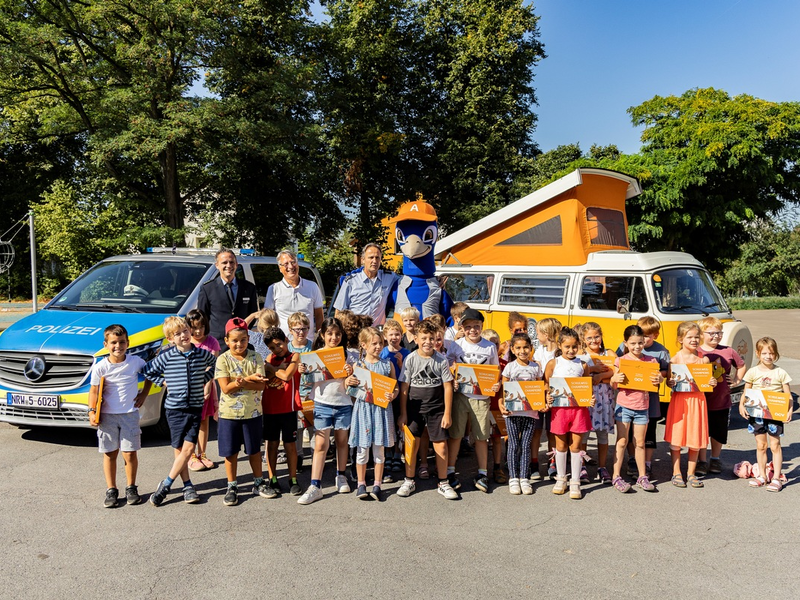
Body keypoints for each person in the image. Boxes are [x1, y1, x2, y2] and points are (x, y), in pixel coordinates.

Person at [143, 316, 217, 506]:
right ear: (170, 339)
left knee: (189, 448)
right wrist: (163, 382)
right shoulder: (167, 356)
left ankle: (166, 485)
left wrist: (204, 378)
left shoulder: (201, 354)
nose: (183, 335)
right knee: (179, 450)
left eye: (185, 331)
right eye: (177, 334)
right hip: (174, 409)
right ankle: (187, 485)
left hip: (194, 407)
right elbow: (148, 371)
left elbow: (216, 364)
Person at [88, 324, 153, 508]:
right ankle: (111, 489)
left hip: (129, 415)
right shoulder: (101, 367)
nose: (118, 346)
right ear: (106, 344)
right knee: (109, 454)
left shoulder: (135, 362)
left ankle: (131, 487)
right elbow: (94, 390)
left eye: (122, 342)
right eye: (114, 342)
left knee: (130, 453)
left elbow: (149, 375)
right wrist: (91, 411)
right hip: (107, 416)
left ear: (128, 343)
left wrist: (143, 394)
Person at [297, 317, 357, 505]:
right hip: (322, 403)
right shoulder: (315, 355)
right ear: (322, 335)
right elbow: (308, 381)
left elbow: (357, 382)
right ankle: (315, 485)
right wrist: (303, 371)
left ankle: (341, 475)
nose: (334, 337)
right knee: (320, 444)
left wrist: (350, 373)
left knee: (342, 441)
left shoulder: (349, 355)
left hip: (344, 404)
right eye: (329, 333)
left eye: (338, 334)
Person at [396, 320, 457, 500]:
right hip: (414, 409)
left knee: (441, 446)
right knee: (411, 445)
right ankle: (409, 480)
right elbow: (405, 388)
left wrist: (447, 413)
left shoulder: (441, 360)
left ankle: (443, 482)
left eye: (431, 338)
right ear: (416, 338)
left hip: (437, 409)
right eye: (424, 338)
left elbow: (447, 386)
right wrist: (404, 413)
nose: (428, 342)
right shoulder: (410, 359)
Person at [215, 318, 269, 506]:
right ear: (227, 340)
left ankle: (258, 482)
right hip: (229, 414)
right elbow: (225, 388)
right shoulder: (223, 359)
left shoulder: (256, 358)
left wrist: (238, 381)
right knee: (231, 453)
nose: (239, 344)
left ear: (248, 338)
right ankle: (232, 485)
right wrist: (248, 380)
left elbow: (262, 385)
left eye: (243, 340)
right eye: (235, 340)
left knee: (254, 449)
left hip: (253, 412)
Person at [448, 308, 500, 493]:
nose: (472, 330)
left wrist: (496, 384)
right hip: (461, 395)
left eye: (476, 326)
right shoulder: (457, 345)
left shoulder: (489, 346)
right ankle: (450, 471)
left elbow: (495, 371)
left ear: (481, 327)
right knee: (456, 434)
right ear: (462, 327)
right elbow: (448, 365)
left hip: (481, 397)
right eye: (468, 326)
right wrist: (453, 371)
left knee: (481, 436)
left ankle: (482, 472)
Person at [347, 327, 399, 501]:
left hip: (381, 411)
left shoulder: (387, 364)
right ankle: (361, 484)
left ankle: (377, 484)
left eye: (380, 343)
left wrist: (393, 395)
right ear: (363, 345)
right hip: (363, 411)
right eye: (374, 343)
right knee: (362, 450)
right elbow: (350, 389)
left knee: (379, 451)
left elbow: (395, 386)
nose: (378, 347)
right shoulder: (358, 365)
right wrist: (350, 382)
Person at [616, 316, 670, 478]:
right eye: (640, 337)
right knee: (627, 436)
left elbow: (666, 371)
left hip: (648, 400)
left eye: (646, 336)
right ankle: (630, 462)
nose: (641, 342)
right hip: (627, 401)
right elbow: (617, 368)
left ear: (655, 335)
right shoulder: (624, 351)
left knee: (647, 433)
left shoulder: (659, 353)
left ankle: (646, 464)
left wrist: (658, 376)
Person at [609, 325, 662, 493]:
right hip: (624, 406)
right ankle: (616, 476)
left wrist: (659, 379)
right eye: (633, 343)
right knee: (622, 441)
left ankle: (642, 476)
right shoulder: (621, 360)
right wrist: (614, 378)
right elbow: (614, 383)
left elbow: (656, 382)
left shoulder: (651, 361)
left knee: (640, 442)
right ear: (626, 343)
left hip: (642, 407)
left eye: (640, 342)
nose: (637, 346)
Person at [544, 327, 595, 499]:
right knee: (560, 446)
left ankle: (575, 481)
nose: (571, 350)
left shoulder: (583, 364)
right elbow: (546, 384)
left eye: (574, 347)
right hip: (560, 412)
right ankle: (561, 479)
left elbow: (588, 387)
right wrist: (547, 396)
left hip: (579, 411)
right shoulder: (554, 363)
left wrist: (591, 398)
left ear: (579, 346)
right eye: (567, 347)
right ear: (560, 345)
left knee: (576, 447)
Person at [665, 321, 717, 489]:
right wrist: (670, 382)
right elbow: (669, 382)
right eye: (690, 337)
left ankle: (691, 473)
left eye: (696, 337)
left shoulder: (703, 360)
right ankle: (676, 472)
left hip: (698, 402)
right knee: (677, 437)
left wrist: (712, 381)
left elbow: (708, 383)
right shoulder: (675, 359)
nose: (694, 340)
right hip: (680, 401)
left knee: (695, 436)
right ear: (681, 339)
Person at [739, 337, 792, 491]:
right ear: (758, 354)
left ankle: (776, 478)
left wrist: (789, 410)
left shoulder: (780, 372)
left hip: (775, 414)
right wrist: (742, 405)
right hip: (757, 414)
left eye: (771, 353)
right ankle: (762, 475)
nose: (768, 356)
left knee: (775, 445)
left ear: (776, 354)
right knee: (761, 445)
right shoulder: (752, 372)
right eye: (764, 353)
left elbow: (788, 395)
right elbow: (746, 392)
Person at [697, 316, 746, 475]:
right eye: (711, 333)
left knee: (718, 431)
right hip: (701, 399)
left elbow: (741, 365)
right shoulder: (696, 352)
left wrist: (737, 380)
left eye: (719, 333)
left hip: (721, 399)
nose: (715, 336)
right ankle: (702, 461)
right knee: (702, 431)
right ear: (702, 333)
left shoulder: (728, 350)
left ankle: (715, 459)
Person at [499, 333, 542, 495]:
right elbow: (505, 389)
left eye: (526, 347)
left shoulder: (535, 367)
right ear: (513, 349)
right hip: (512, 412)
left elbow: (539, 387)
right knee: (513, 444)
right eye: (518, 348)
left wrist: (542, 403)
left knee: (525, 445)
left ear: (531, 348)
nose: (523, 351)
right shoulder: (510, 367)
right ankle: (513, 478)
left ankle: (524, 478)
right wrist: (502, 404)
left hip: (530, 413)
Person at [260, 326, 302, 497]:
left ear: (286, 340)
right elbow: (266, 377)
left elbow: (287, 376)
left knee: (290, 445)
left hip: (288, 408)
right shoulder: (270, 358)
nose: (277, 349)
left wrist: (273, 369)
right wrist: (273, 368)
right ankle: (273, 478)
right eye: (272, 347)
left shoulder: (295, 356)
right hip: (269, 408)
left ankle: (293, 479)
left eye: (279, 344)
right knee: (272, 445)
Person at [197, 248, 259, 350]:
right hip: (217, 344)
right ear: (217, 265)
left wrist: (241, 331)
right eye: (224, 263)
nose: (229, 266)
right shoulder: (208, 288)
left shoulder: (248, 287)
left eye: (231, 262)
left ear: (236, 264)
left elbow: (252, 314)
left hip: (241, 344)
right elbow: (203, 317)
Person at [577, 322, 615, 484]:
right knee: (584, 433)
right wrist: (592, 371)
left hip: (605, 398)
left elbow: (617, 370)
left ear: (601, 336)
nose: (594, 341)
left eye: (597, 337)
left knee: (602, 434)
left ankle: (602, 466)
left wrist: (601, 377)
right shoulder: (580, 355)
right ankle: (582, 466)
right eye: (589, 338)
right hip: (587, 399)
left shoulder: (609, 352)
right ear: (583, 339)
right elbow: (576, 374)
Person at [332, 243, 400, 326]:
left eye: (377, 257)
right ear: (363, 260)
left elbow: (407, 280)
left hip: (376, 333)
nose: (374, 261)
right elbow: (339, 311)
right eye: (371, 257)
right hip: (356, 332)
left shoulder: (389, 277)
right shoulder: (351, 281)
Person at [264, 249, 324, 341]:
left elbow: (319, 315)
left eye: (293, 262)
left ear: (298, 264)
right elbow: (268, 318)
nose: (290, 266)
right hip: (283, 346)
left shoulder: (312, 287)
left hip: (307, 345)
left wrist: (320, 339)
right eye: (286, 264)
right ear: (280, 268)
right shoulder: (274, 289)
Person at [186, 309, 220, 472]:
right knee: (192, 422)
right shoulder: (186, 342)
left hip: (207, 388)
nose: (197, 331)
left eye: (201, 327)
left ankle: (202, 454)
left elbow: (213, 366)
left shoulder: (212, 342)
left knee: (204, 421)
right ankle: (190, 455)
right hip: (190, 389)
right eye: (193, 327)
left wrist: (207, 386)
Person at [380, 318, 411, 476]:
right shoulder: (382, 352)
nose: (394, 337)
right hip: (385, 394)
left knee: (399, 425)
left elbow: (409, 376)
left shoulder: (406, 353)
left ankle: (398, 454)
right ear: (385, 336)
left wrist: (400, 365)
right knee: (388, 425)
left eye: (397, 334)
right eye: (391, 334)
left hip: (401, 394)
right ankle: (388, 455)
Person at [533, 317, 561, 480]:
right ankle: (534, 462)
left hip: (555, 397)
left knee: (552, 432)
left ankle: (553, 462)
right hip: (539, 396)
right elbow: (538, 376)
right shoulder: (539, 351)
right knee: (537, 431)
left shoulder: (560, 352)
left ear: (547, 334)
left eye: (538, 333)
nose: (537, 336)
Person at [287, 311, 314, 473]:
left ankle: (315, 455)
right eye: (297, 329)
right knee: (297, 428)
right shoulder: (287, 348)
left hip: (312, 393)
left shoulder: (313, 345)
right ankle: (298, 457)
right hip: (294, 394)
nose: (301, 332)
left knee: (312, 427)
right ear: (290, 330)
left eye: (304, 328)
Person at [481, 328, 508, 485]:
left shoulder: (505, 364)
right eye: (490, 343)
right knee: (482, 439)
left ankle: (497, 467)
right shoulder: (481, 363)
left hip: (497, 406)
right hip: (482, 404)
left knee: (497, 438)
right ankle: (482, 468)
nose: (493, 346)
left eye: (496, 343)